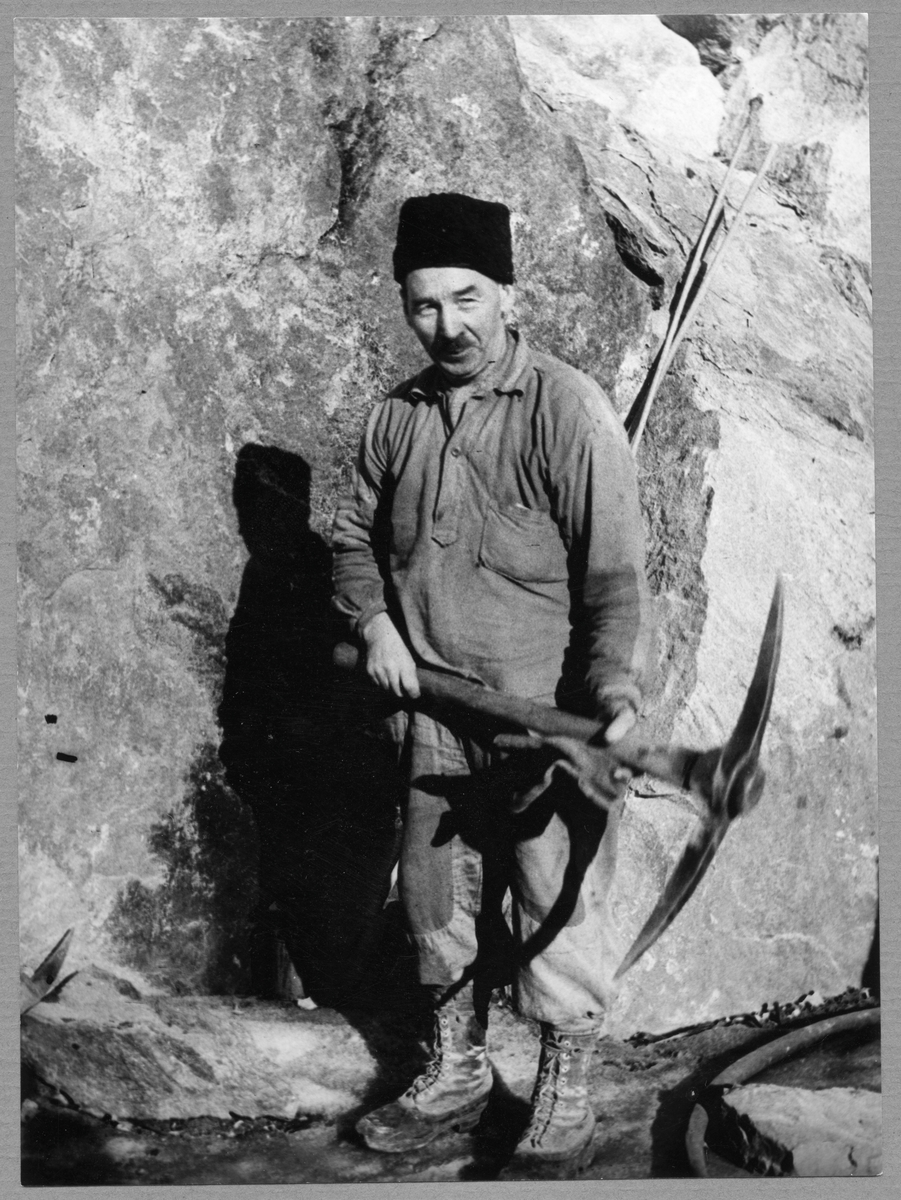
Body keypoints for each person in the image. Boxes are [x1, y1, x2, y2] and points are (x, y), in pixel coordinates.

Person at [332, 192, 650, 1177]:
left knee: (553, 905)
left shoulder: (568, 410)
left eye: (467, 298)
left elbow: (613, 583)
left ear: (508, 295)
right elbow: (348, 537)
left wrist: (609, 700)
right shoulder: (394, 417)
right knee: (436, 907)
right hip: (429, 713)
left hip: (540, 720)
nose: (448, 325)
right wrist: (373, 622)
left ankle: (564, 1084)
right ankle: (457, 1070)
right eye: (424, 305)